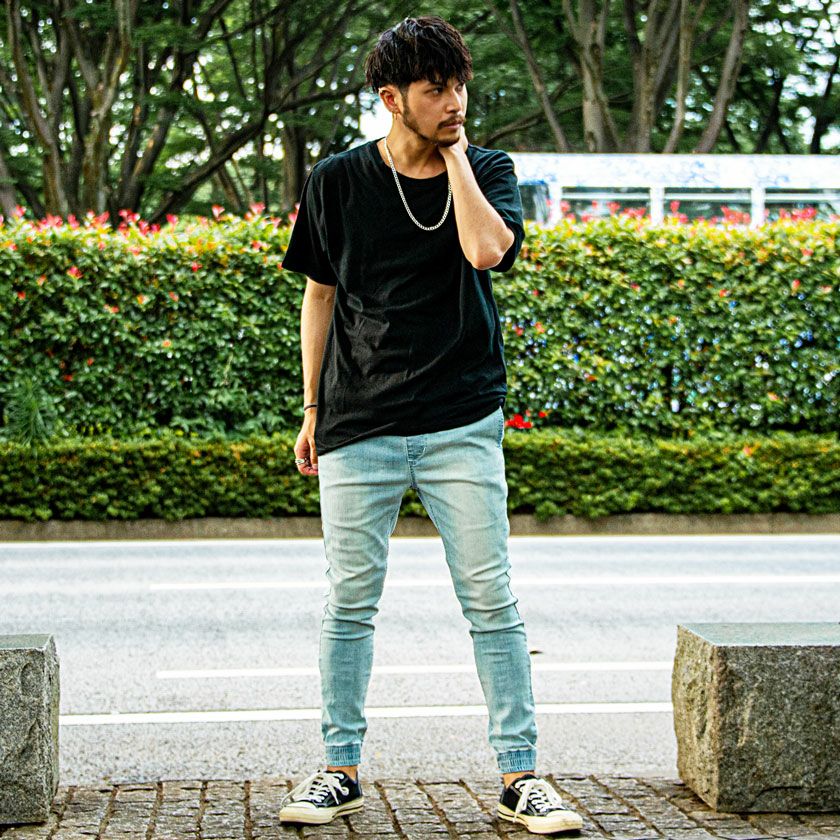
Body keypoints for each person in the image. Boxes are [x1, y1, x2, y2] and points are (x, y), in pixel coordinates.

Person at [278, 15, 583, 836]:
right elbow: (319, 294)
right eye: (435, 89)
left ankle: (520, 777)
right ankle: (338, 770)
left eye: (459, 87)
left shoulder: (487, 168)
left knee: (491, 600)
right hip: (359, 421)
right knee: (349, 602)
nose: (455, 102)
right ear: (392, 98)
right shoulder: (337, 180)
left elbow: (486, 252)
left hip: (461, 419)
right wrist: (311, 410)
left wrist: (453, 158)